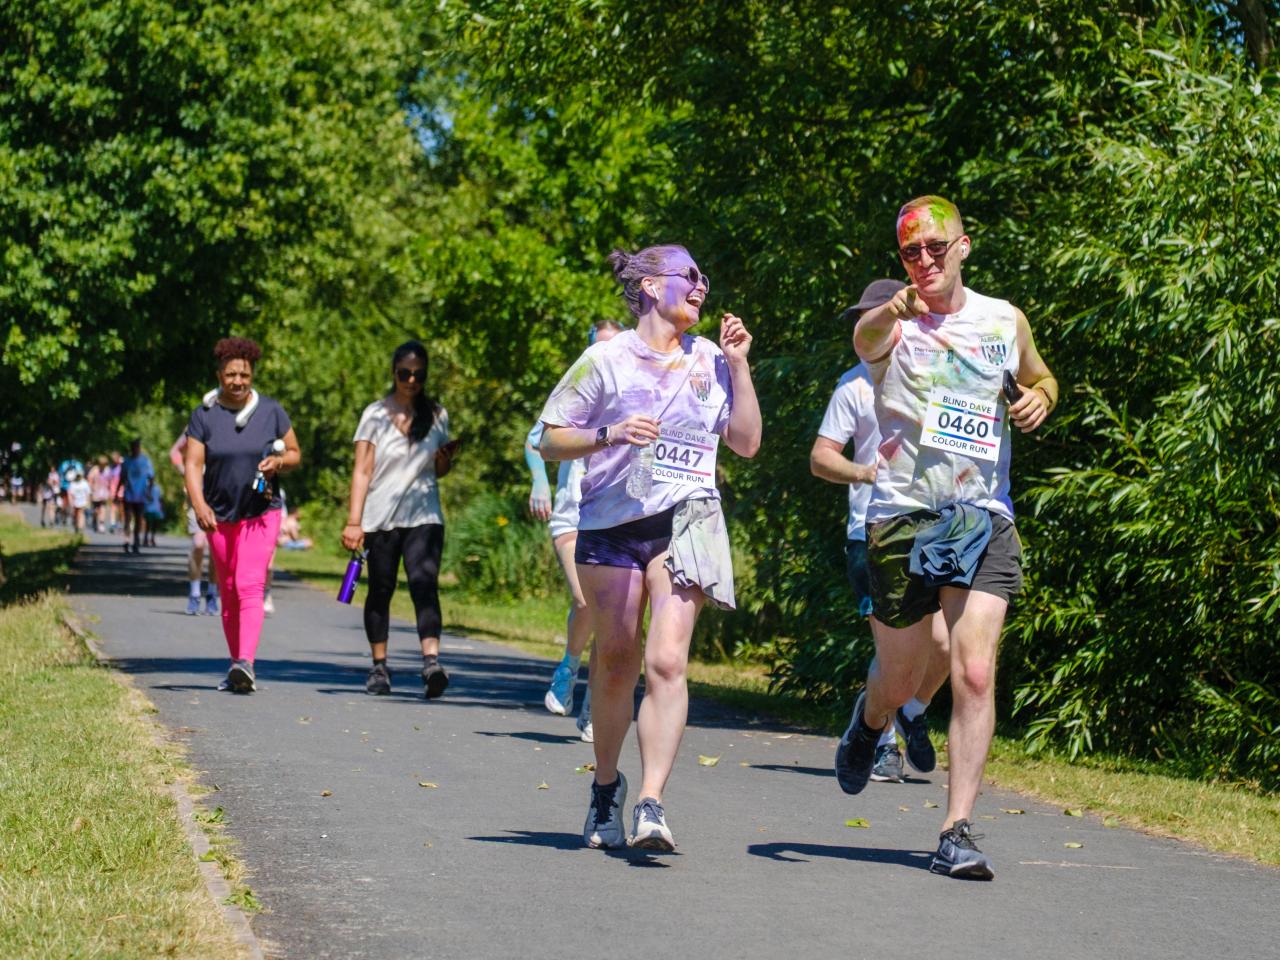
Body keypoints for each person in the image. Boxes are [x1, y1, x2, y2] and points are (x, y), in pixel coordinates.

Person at [837, 196, 1057, 880]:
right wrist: (894, 309)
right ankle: (870, 719)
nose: (925, 262)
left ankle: (956, 828)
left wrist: (1041, 397)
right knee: (901, 675)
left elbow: (1040, 374)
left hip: (981, 513)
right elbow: (864, 342)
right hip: (903, 515)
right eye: (911, 253)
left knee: (975, 669)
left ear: (965, 245)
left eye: (936, 248)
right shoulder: (893, 325)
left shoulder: (1002, 319)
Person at [539, 244, 761, 852]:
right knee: (615, 656)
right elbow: (548, 439)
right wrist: (609, 434)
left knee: (666, 660)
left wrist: (740, 367)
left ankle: (652, 802)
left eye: (704, 276)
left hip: (687, 518)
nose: (700, 286)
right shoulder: (605, 360)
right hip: (611, 524)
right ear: (647, 287)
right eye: (689, 275)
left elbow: (745, 443)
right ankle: (606, 787)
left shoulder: (713, 358)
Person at [810, 279, 951, 784]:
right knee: (895, 653)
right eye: (863, 319)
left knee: (944, 650)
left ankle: (912, 710)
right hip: (871, 531)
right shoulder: (853, 386)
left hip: (936, 525)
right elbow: (821, 458)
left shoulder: (937, 375)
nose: (866, 327)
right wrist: (864, 472)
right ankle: (882, 740)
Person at [527, 318, 627, 742]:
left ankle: (592, 706)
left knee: (611, 617)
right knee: (585, 599)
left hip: (614, 516)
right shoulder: (579, 387)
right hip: (571, 514)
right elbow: (537, 441)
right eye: (597, 345)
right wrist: (538, 481)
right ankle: (569, 667)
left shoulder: (634, 392)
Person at [343, 340, 458, 699]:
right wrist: (353, 521)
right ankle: (379, 666)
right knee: (381, 588)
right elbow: (362, 471)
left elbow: (439, 471)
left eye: (418, 374)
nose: (411, 380)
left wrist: (444, 457)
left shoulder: (437, 414)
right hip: (380, 518)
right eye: (404, 373)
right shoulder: (375, 414)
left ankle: (431, 663)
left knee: (424, 583)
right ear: (393, 373)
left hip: (424, 514)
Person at [184, 337, 300, 693]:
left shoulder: (271, 411)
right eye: (231, 374)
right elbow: (192, 463)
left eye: (244, 374)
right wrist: (199, 504)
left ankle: (245, 662)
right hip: (219, 515)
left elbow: (294, 453)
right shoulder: (204, 415)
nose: (238, 381)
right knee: (229, 588)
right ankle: (238, 664)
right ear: (219, 374)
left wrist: (279, 462)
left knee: (250, 583)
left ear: (252, 375)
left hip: (261, 512)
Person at [170, 433, 220, 615]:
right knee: (199, 544)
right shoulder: (196, 425)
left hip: (220, 497)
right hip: (198, 496)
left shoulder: (230, 421)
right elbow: (174, 452)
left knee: (216, 549)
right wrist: (185, 472)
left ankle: (212, 594)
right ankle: (194, 593)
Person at [117, 439, 154, 552]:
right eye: (133, 447)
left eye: (137, 447)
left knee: (138, 519)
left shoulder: (146, 461)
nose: (135, 449)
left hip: (141, 495)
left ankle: (136, 541)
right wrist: (116, 493)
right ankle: (127, 540)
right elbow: (122, 478)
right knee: (128, 519)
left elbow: (151, 477)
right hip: (129, 495)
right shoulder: (126, 462)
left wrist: (149, 491)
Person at [88, 456, 113, 532]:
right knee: (96, 509)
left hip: (104, 492)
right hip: (96, 492)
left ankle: (101, 523)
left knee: (102, 508)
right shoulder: (95, 470)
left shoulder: (108, 470)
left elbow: (110, 481)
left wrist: (110, 491)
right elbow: (90, 479)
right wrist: (91, 490)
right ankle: (95, 521)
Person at [66, 469, 91, 534]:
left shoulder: (84, 483)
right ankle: (76, 526)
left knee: (81, 514)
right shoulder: (73, 483)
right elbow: (70, 493)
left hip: (82, 502)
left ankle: (80, 527)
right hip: (75, 502)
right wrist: (71, 502)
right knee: (75, 515)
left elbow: (88, 493)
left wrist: (88, 502)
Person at [143, 478, 164, 546]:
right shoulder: (146, 488)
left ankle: (152, 538)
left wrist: (161, 507)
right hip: (148, 509)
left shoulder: (157, 488)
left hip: (156, 509)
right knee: (147, 525)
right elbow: (145, 497)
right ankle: (145, 539)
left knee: (155, 525)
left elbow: (160, 498)